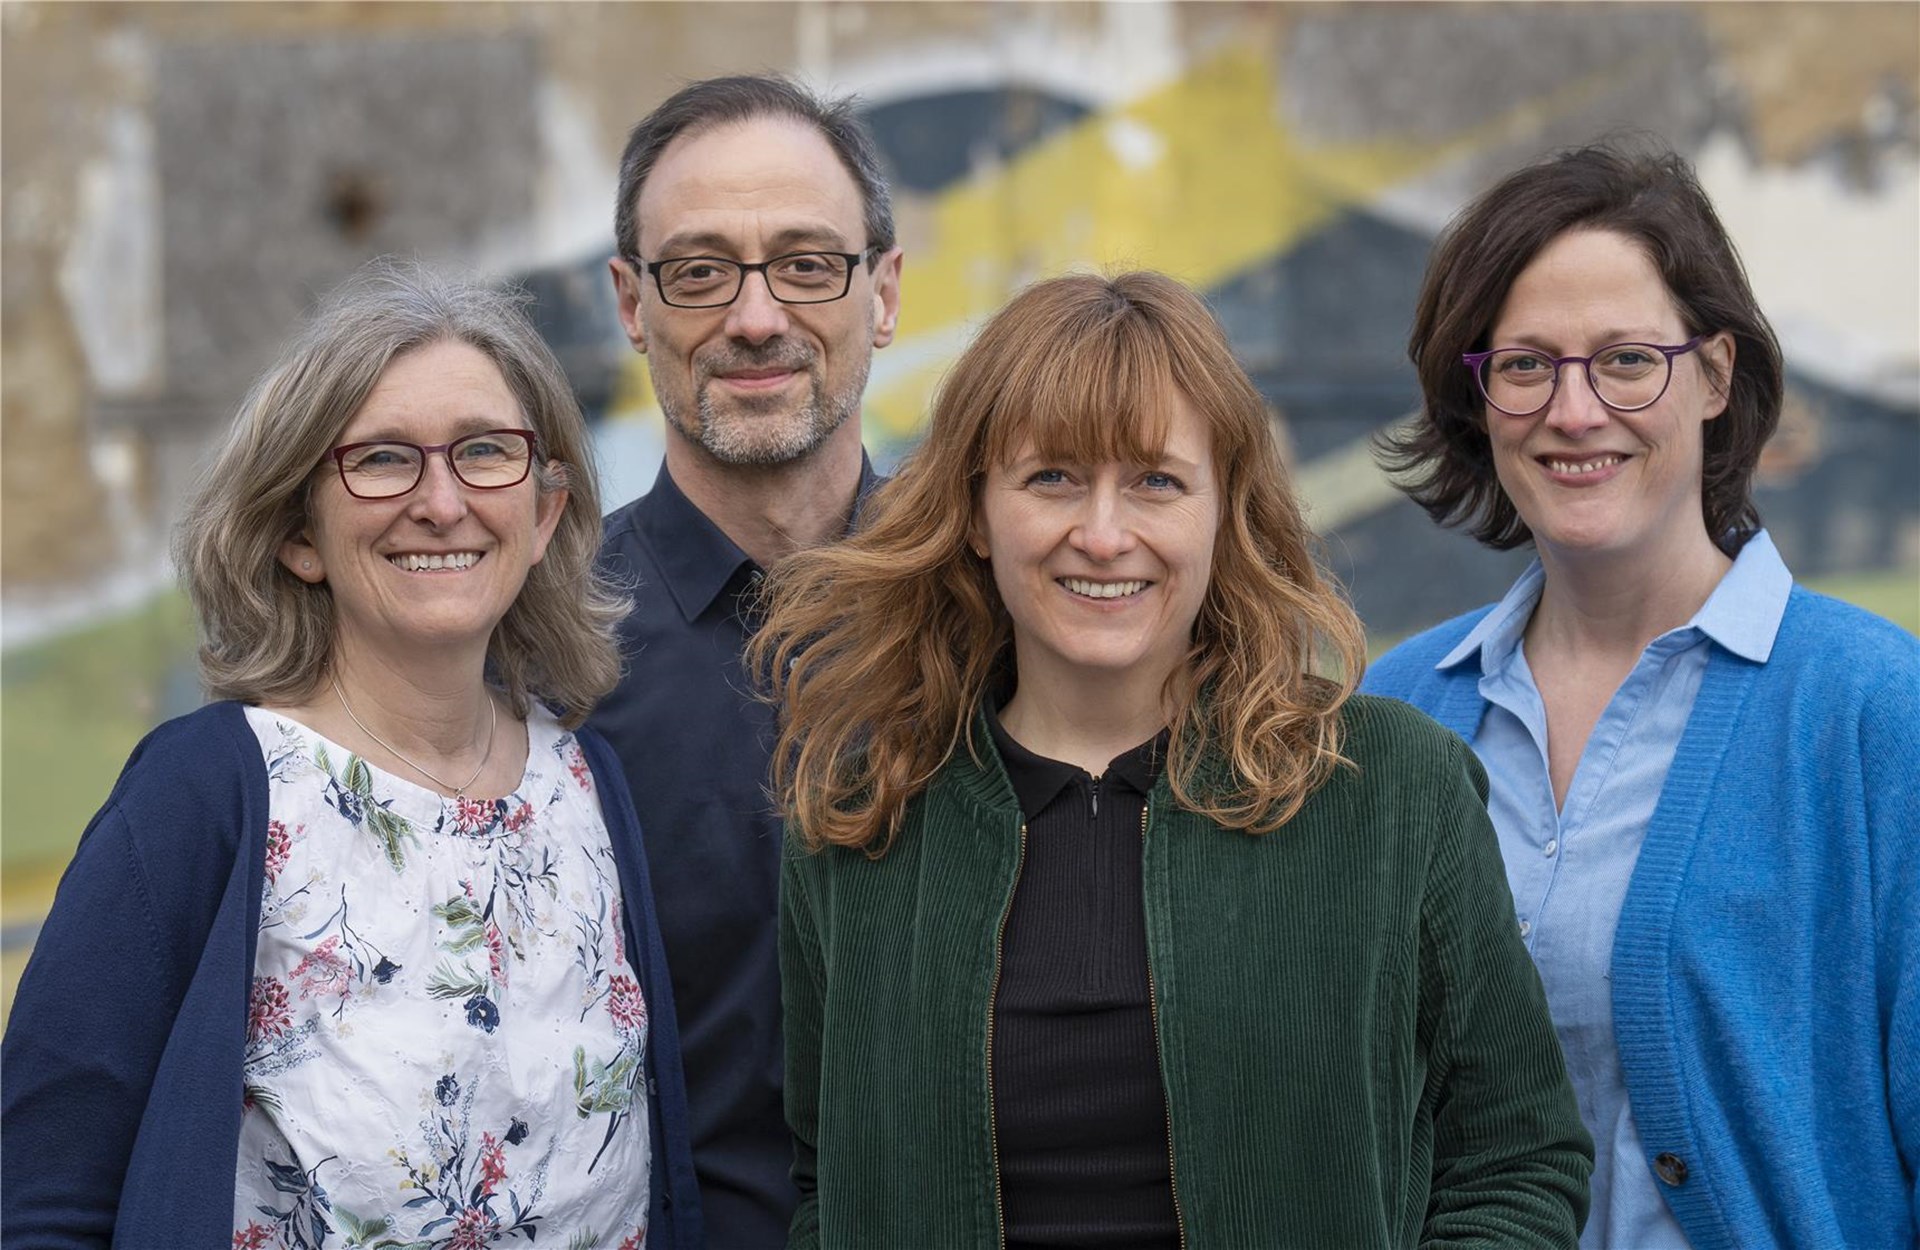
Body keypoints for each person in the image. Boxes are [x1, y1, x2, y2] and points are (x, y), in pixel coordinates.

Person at [754, 271, 1593, 1247]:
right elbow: (828, 1183)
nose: (1104, 534)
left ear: (1220, 511)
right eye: (1053, 476)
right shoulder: (862, 817)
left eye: (1156, 479)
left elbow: (1517, 1158)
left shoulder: (1391, 789)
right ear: (978, 512)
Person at [0, 262, 702, 1248]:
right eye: (380, 460)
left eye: (486, 451)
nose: (442, 500)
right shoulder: (202, 800)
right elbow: (44, 1200)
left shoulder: (589, 788)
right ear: (299, 531)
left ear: (543, 514)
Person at [1363, 142, 1920, 1249]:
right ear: (1477, 397)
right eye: (1526, 365)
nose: (1575, 410)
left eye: (1626, 359)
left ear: (1715, 376)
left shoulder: (1874, 711)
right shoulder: (1399, 709)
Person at [587, 75, 902, 1247]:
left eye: (809, 263)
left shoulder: (1007, 614)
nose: (758, 317)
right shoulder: (529, 654)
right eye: (701, 270)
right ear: (632, 300)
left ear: (886, 292)